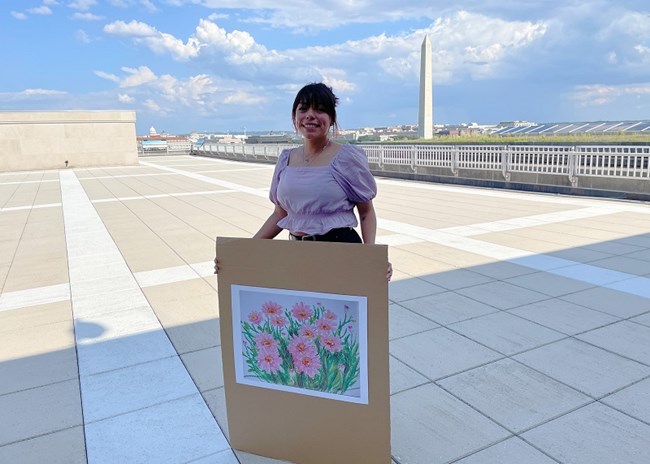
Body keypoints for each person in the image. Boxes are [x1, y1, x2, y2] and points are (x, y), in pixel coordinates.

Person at [215, 82, 392, 280]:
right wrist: (245, 251)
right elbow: (280, 214)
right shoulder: (286, 159)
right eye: (303, 109)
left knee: (338, 310)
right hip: (297, 254)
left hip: (340, 251)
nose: (310, 115)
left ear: (332, 119)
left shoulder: (346, 158)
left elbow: (366, 212)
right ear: (294, 117)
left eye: (320, 110)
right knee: (303, 310)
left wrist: (371, 257)